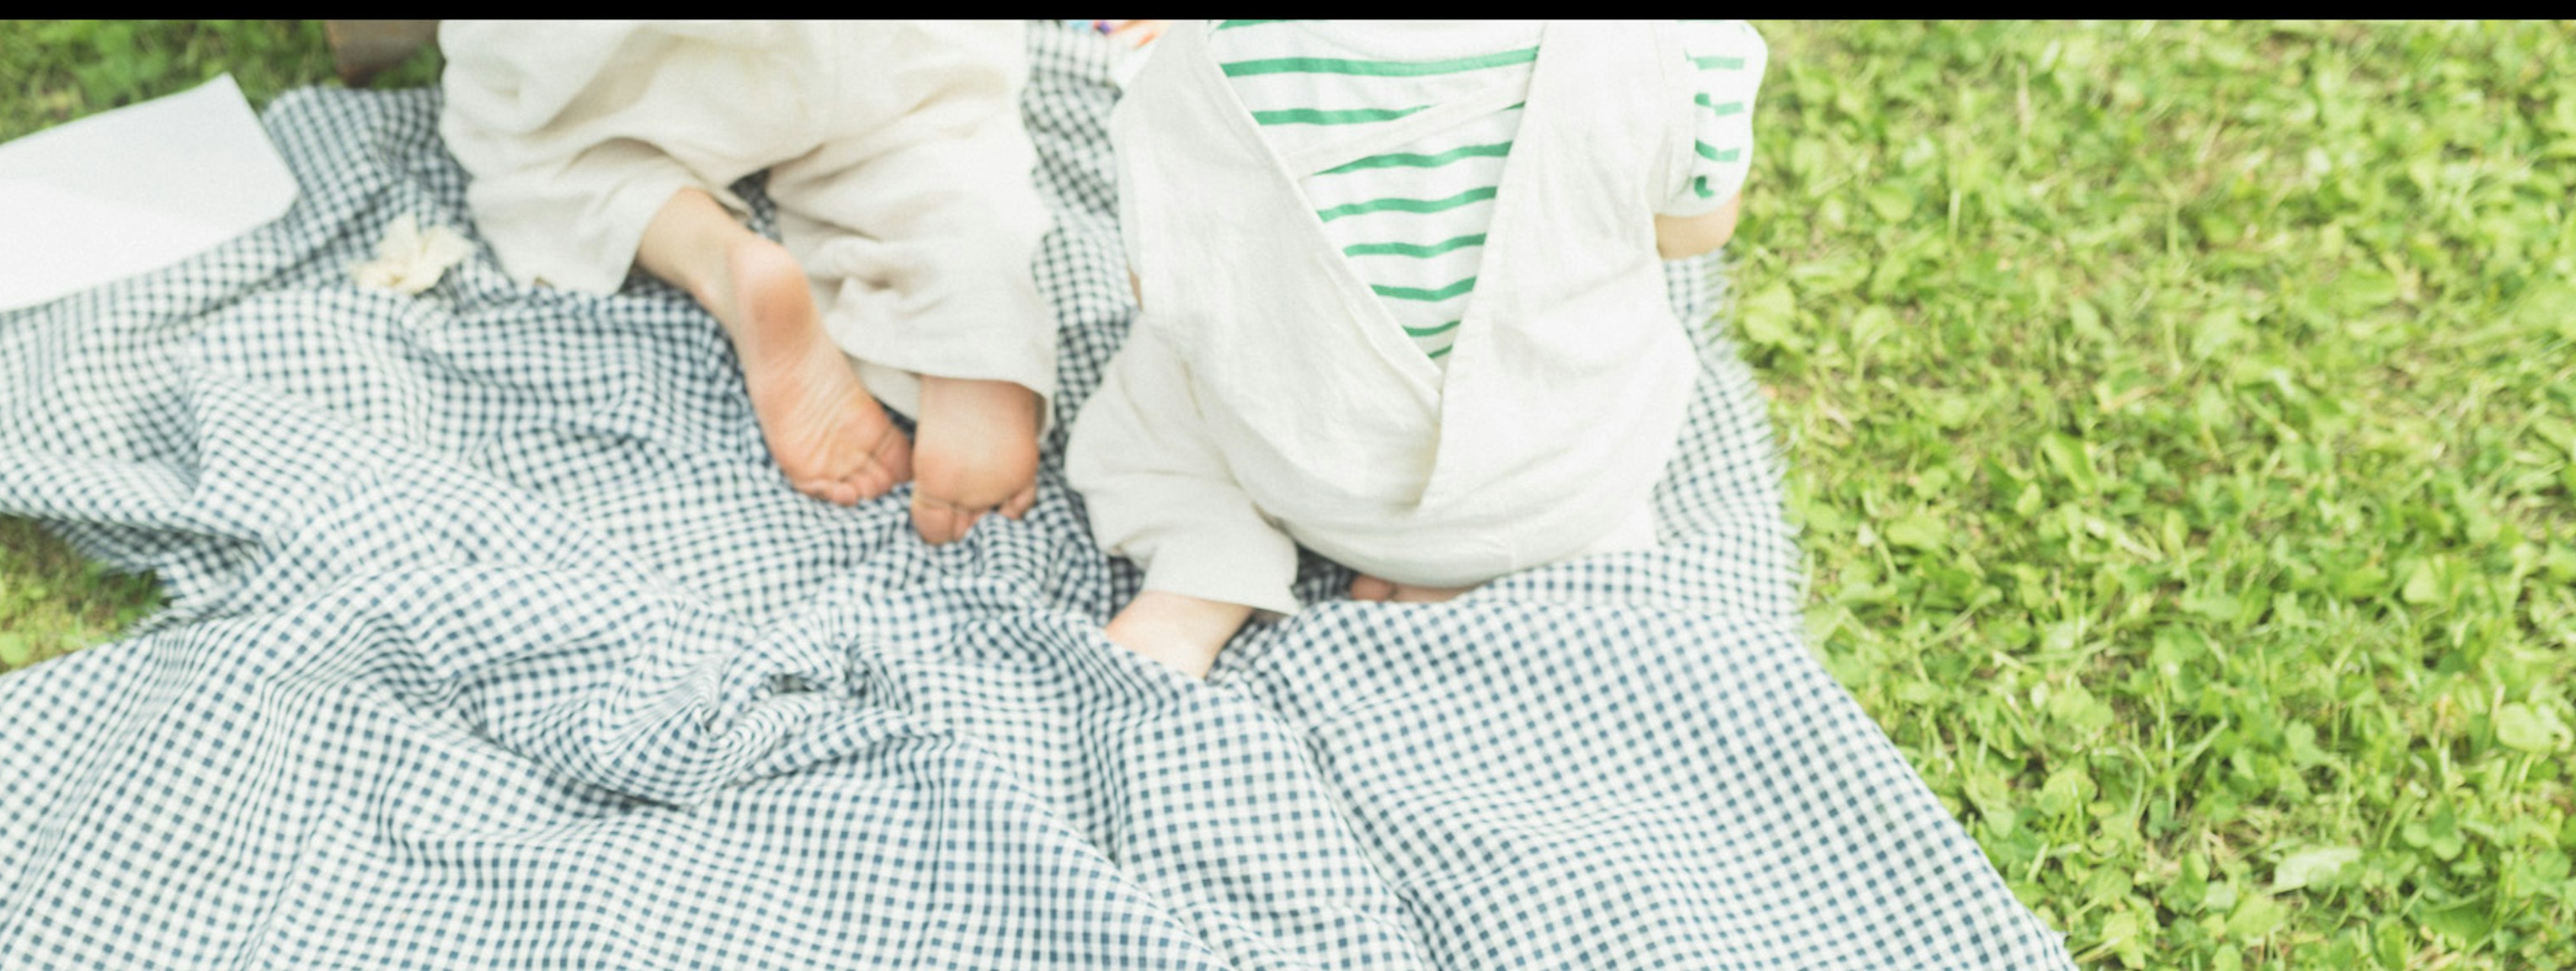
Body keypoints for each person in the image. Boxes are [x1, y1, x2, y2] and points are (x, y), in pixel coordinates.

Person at [1067, 19, 1769, 676]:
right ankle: (1476, 570)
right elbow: (1691, 236)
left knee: (1157, 376)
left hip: (1310, 486)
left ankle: (1204, 564)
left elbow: (1155, 286)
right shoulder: (1677, 46)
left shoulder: (1201, 65)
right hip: (1564, 493)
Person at [437, 20, 1056, 545]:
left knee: (545, 147)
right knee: (928, 116)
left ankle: (714, 253)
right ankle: (968, 309)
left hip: (619, 56)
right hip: (859, 47)